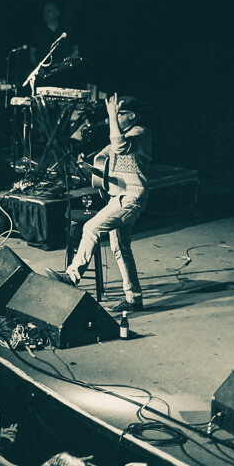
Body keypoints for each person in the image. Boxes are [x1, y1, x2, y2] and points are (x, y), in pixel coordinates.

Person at [47, 94, 151, 312]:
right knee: (121, 249)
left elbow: (119, 147)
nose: (115, 117)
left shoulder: (140, 133)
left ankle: (72, 277)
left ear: (132, 116)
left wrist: (111, 116)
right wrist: (85, 161)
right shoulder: (120, 136)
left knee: (91, 228)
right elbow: (104, 156)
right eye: (115, 114)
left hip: (130, 198)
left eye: (120, 114)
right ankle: (134, 298)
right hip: (117, 199)